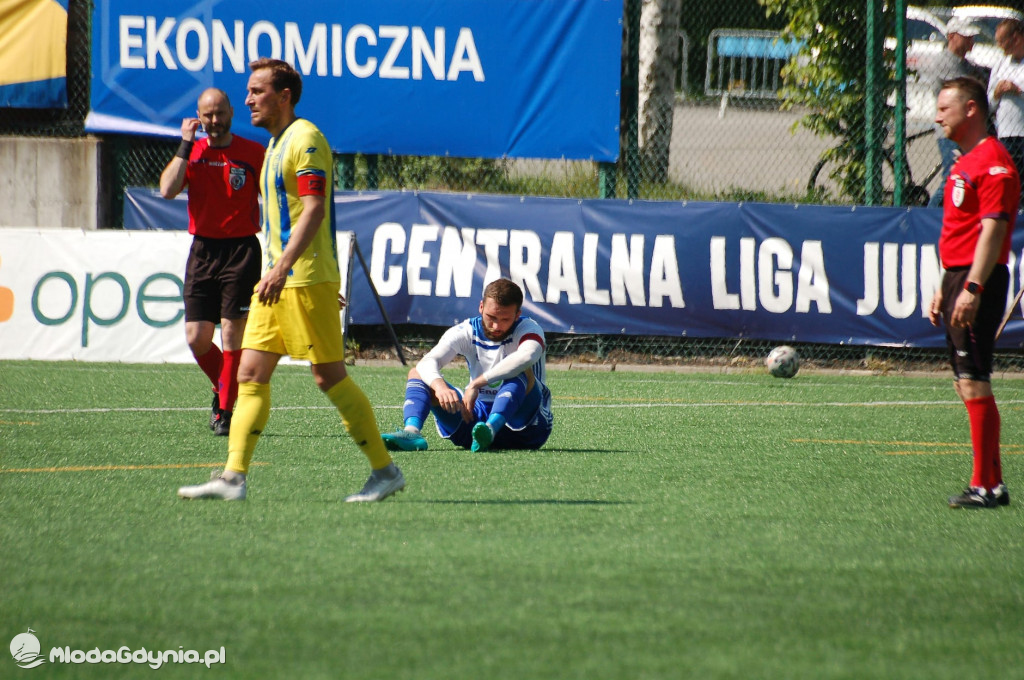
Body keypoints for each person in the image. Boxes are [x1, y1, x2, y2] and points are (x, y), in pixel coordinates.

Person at [178, 58, 404, 502]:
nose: (247, 100)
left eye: (257, 92)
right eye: (248, 91)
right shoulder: (275, 145)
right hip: (277, 282)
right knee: (249, 371)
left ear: (284, 97)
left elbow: (315, 209)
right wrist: (277, 270)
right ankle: (232, 478)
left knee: (328, 377)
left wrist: (290, 269)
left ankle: (385, 470)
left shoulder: (307, 138)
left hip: (298, 280)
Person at [929, 76, 1018, 509]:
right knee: (966, 382)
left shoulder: (994, 163)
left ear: (971, 110)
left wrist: (973, 287)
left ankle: (987, 486)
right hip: (957, 277)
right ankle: (990, 483)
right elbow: (961, 231)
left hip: (975, 279)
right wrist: (942, 285)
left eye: (944, 108)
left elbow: (993, 230)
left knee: (975, 379)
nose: (936, 116)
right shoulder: (965, 162)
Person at [159, 89, 265, 436]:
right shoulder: (192, 153)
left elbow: (275, 200)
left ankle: (224, 412)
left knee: (232, 334)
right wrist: (185, 144)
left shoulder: (253, 152)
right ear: (198, 117)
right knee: (196, 338)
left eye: (220, 113)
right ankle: (224, 384)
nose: (215, 121)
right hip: (203, 250)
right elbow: (167, 190)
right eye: (208, 115)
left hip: (241, 251)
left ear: (231, 112)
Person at [381, 278, 553, 454]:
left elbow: (526, 356)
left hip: (526, 428)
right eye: (491, 317)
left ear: (517, 315)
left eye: (505, 319)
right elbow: (427, 362)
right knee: (417, 373)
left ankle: (492, 428)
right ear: (481, 307)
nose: (496, 326)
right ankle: (412, 432)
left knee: (521, 370)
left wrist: (476, 384)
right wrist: (439, 387)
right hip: (474, 420)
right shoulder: (466, 330)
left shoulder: (529, 328)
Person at [920, 18, 985, 207]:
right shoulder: (944, 61)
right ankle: (928, 217)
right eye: (966, 37)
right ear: (951, 37)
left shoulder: (965, 64)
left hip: (966, 130)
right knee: (952, 174)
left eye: (971, 37)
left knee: (965, 175)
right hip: (949, 130)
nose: (970, 41)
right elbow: (968, 89)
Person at [988, 18, 1024, 189]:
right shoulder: (1001, 64)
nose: (999, 46)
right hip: (1006, 135)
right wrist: (997, 93)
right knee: (1008, 183)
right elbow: (988, 102)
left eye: (1002, 41)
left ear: (1016, 38)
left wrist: (1018, 91)